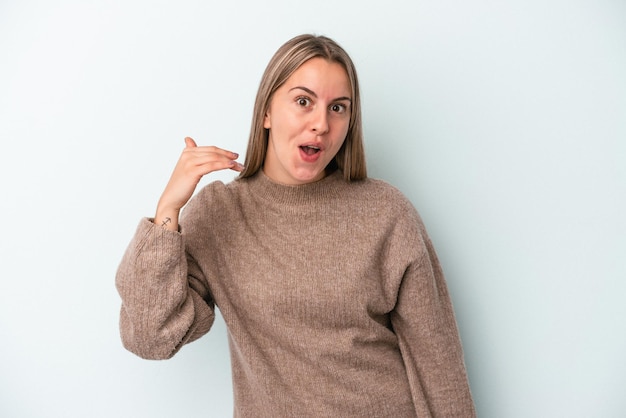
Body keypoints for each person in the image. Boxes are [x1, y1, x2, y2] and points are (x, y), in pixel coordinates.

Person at [116, 34, 476, 417]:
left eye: (338, 108)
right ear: (267, 113)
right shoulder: (220, 213)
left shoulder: (387, 212)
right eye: (303, 101)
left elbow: (438, 367)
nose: (321, 123)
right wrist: (168, 210)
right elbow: (151, 338)